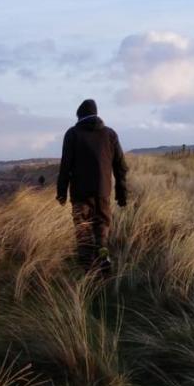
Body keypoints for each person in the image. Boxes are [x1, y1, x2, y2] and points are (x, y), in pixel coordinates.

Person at [56, 99, 128, 273]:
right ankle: (103, 256)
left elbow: (65, 166)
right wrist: (121, 193)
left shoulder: (72, 134)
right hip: (103, 191)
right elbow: (121, 166)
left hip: (80, 194)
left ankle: (87, 272)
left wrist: (61, 193)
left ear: (79, 116)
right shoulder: (110, 135)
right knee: (101, 227)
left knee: (83, 229)